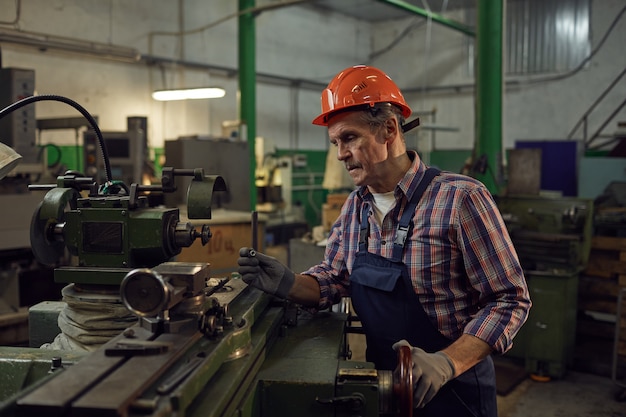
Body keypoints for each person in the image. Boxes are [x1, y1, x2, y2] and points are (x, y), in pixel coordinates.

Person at [238, 65, 531, 416]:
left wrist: (446, 363)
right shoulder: (354, 208)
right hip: (383, 390)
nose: (340, 154)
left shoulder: (460, 199)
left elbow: (510, 299)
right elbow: (334, 279)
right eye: (334, 143)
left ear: (389, 129)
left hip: (454, 394)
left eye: (349, 138)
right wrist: (289, 283)